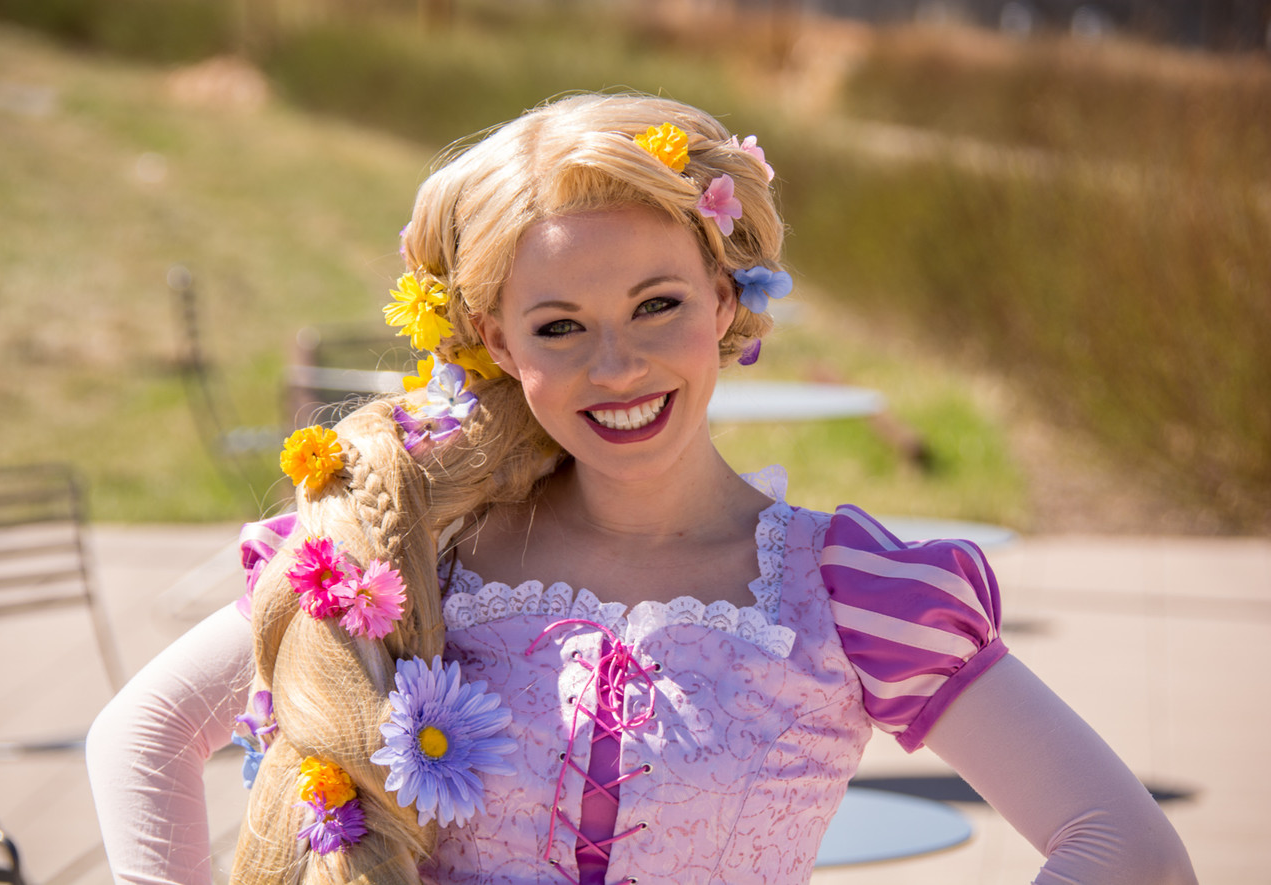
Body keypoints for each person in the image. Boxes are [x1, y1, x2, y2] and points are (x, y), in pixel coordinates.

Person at [86, 92, 1196, 885]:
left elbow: (1125, 846)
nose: (615, 366)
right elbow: (140, 739)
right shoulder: (407, 547)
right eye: (559, 326)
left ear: (723, 299)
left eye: (657, 305)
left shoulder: (844, 591)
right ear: (491, 338)